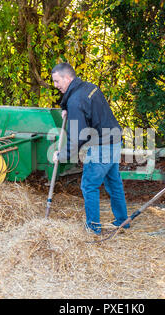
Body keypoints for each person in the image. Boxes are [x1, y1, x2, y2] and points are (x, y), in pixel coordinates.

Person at [51, 62, 130, 235]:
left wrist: (61, 154)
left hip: (102, 146)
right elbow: (77, 104)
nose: (56, 86)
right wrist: (66, 109)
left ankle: (93, 228)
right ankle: (122, 221)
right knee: (113, 182)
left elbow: (76, 137)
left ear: (67, 77)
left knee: (89, 185)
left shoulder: (76, 101)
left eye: (57, 81)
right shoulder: (88, 87)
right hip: (115, 140)